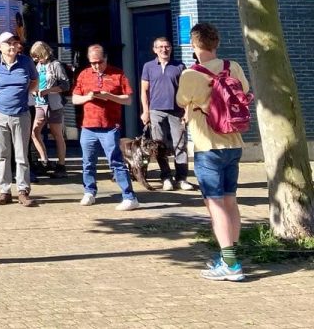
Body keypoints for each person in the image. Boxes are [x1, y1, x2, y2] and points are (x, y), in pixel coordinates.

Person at [177, 22, 249, 281]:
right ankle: (229, 255)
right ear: (216, 43)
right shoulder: (233, 67)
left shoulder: (190, 74)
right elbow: (246, 92)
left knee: (214, 204)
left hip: (208, 147)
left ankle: (230, 265)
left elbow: (181, 101)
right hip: (234, 144)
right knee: (230, 201)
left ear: (194, 45)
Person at [72, 44, 139, 211]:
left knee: (115, 161)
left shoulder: (117, 74)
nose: (96, 65)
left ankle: (129, 196)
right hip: (88, 125)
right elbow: (74, 99)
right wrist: (87, 97)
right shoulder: (84, 74)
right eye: (92, 62)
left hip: (109, 125)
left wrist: (109, 96)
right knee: (88, 161)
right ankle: (89, 191)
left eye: (99, 62)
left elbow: (128, 100)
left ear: (106, 58)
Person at [0, 31, 38, 206]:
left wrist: (24, 93)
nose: (11, 46)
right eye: (7, 43)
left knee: (21, 155)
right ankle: (4, 191)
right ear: (0, 47)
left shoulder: (26, 62)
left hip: (21, 113)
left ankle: (23, 191)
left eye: (14, 43)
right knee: (3, 155)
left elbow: (35, 81)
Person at [140, 37, 192, 191]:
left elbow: (187, 91)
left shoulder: (180, 66)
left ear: (171, 48)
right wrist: (145, 111)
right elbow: (144, 90)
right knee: (160, 146)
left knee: (180, 145)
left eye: (167, 46)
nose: (164, 49)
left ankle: (182, 178)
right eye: (161, 47)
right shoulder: (148, 66)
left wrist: (187, 111)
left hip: (177, 111)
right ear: (155, 49)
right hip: (156, 111)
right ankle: (166, 177)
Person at [28, 41, 69, 178]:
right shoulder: (38, 66)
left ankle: (61, 164)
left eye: (37, 56)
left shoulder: (56, 65)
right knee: (34, 132)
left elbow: (65, 85)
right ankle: (45, 160)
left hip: (53, 104)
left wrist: (48, 91)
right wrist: (34, 91)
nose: (35, 59)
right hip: (39, 103)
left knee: (57, 134)